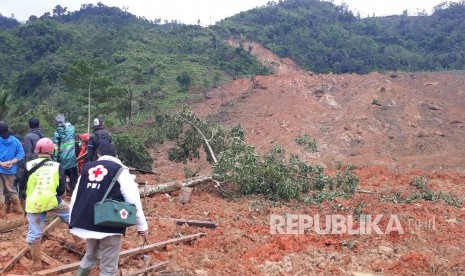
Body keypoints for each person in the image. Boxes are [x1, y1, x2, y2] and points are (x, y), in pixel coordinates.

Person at [70, 143, 148, 276]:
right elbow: (133, 199)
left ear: (98, 155)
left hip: (85, 222)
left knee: (90, 256)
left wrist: (72, 220)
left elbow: (76, 196)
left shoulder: (86, 168)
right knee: (109, 268)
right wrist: (141, 225)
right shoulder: (120, 170)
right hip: (109, 223)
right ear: (116, 156)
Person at [18, 137, 70, 270]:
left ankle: (36, 263)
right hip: (52, 201)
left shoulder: (28, 165)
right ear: (51, 151)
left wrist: (26, 198)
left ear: (37, 151)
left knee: (35, 233)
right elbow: (62, 189)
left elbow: (22, 185)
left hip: (33, 203)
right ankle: (81, 243)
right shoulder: (57, 166)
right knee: (71, 218)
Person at [0, 121, 25, 218]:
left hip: (1, 167)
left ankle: (1, 213)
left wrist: (2, 163)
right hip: (10, 170)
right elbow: (21, 155)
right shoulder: (16, 141)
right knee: (11, 190)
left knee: (0, 191)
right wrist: (11, 162)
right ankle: (18, 210)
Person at [52, 114, 79, 193]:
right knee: (74, 179)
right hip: (72, 159)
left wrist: (55, 160)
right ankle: (75, 194)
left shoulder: (56, 133)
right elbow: (70, 125)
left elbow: (55, 149)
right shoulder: (72, 129)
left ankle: (63, 196)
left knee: (62, 180)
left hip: (61, 161)